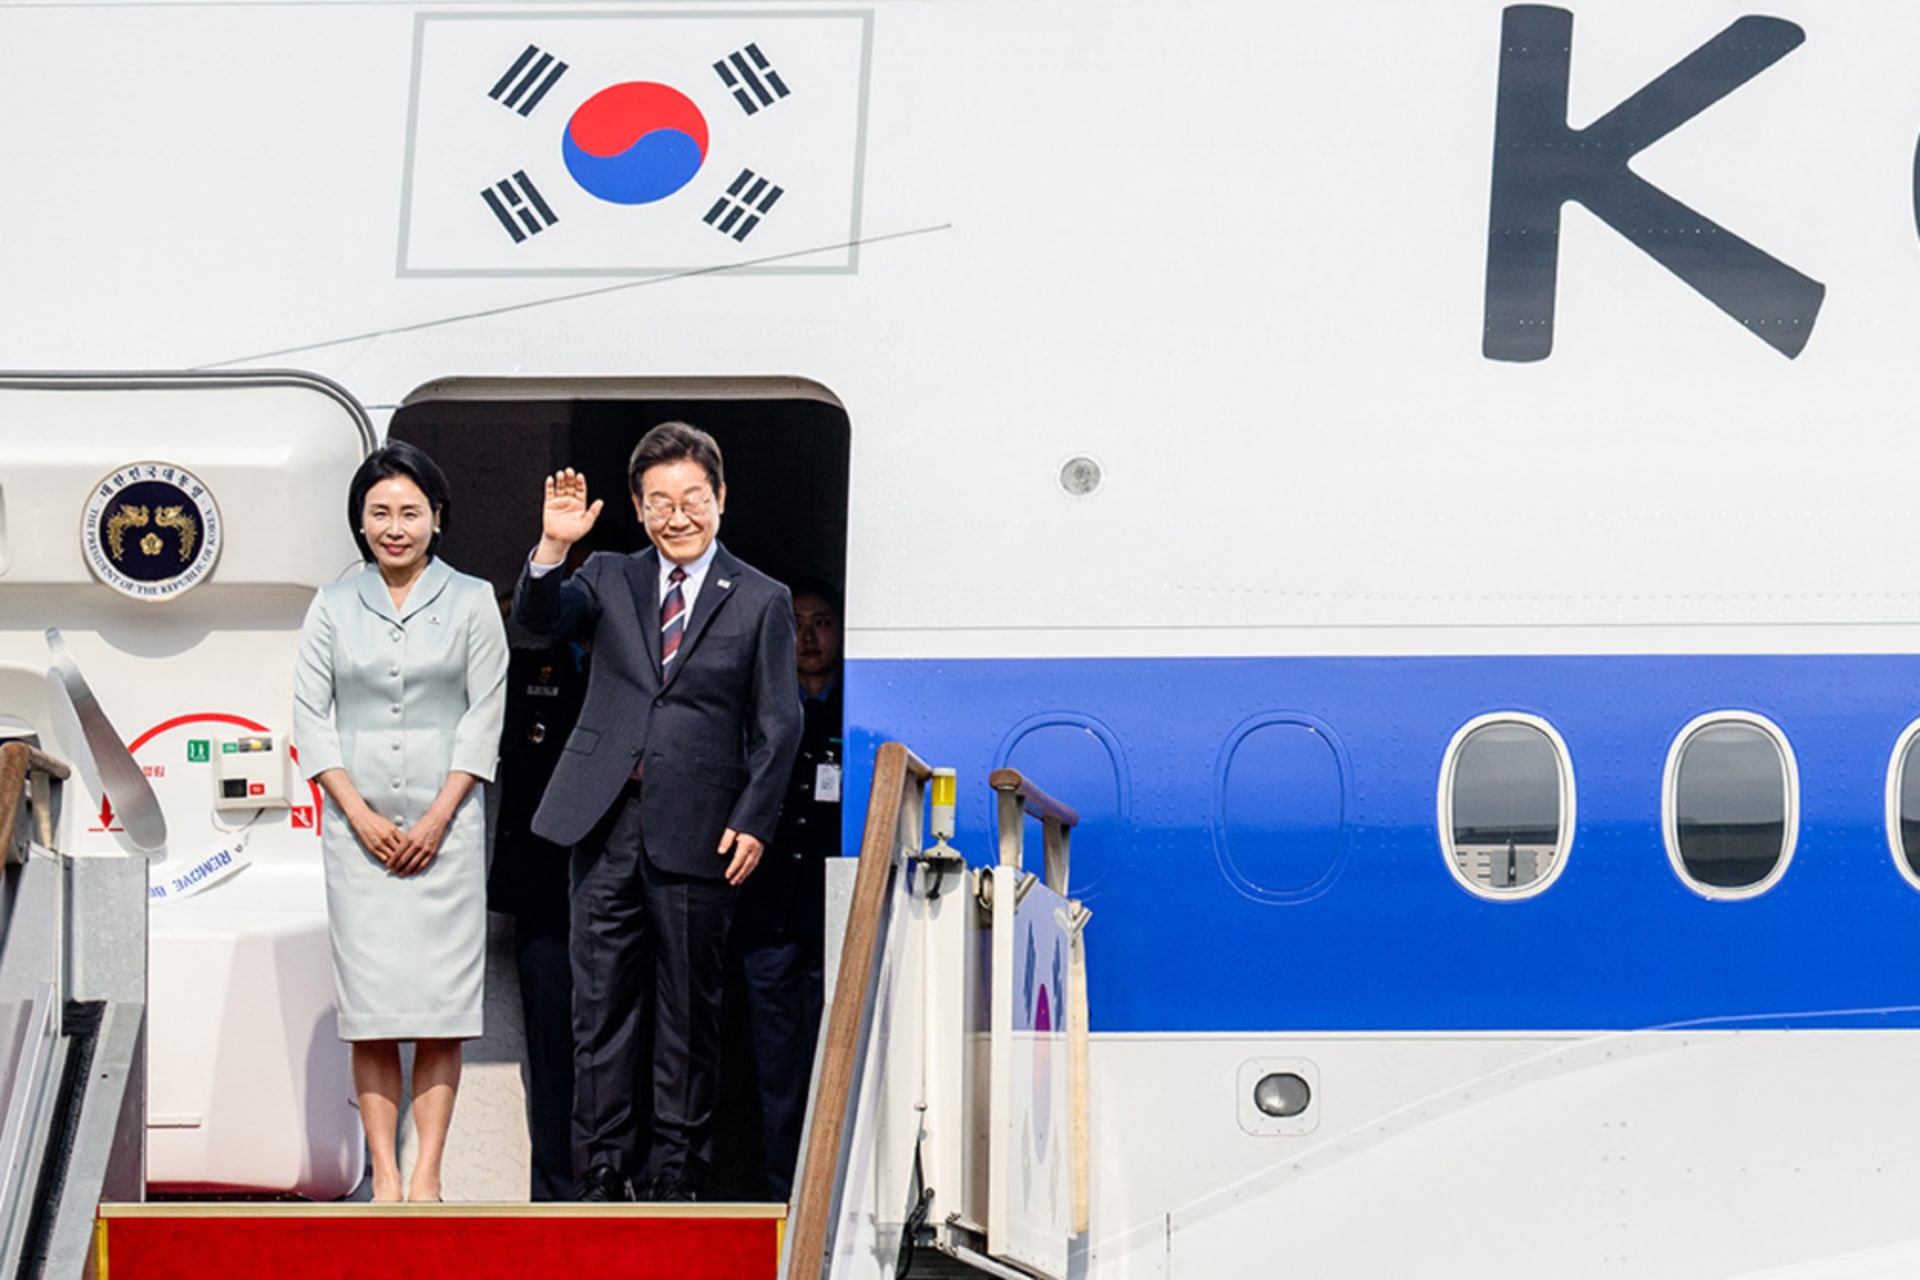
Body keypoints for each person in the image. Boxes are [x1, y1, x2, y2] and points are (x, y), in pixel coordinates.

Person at [513, 421, 801, 1202]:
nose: (679, 516)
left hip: (702, 829)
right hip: (603, 823)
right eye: (660, 502)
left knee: (688, 1015)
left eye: (693, 499)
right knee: (598, 1009)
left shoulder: (763, 598)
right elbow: (536, 625)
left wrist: (756, 817)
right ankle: (602, 1171)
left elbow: (780, 723)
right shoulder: (606, 575)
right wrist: (551, 550)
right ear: (638, 510)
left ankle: (677, 1176)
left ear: (721, 500)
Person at [292, 441, 508, 1203]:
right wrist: (358, 813)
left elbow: (485, 719)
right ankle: (383, 1175)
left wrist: (437, 818)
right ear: (359, 521)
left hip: (446, 838)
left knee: (440, 1012)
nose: (395, 527)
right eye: (379, 512)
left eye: (410, 512)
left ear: (437, 518)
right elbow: (310, 720)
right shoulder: (331, 604)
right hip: (358, 839)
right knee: (374, 1014)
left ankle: (427, 1176)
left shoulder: (475, 599)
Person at [730, 582, 842, 1200]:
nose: (808, 636)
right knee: (775, 1075)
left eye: (822, 622)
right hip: (766, 917)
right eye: (796, 623)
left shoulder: (859, 713)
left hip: (831, 920)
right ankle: (782, 1200)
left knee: (833, 1068)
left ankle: (830, 1202)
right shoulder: (760, 709)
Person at [486, 601, 589, 1200]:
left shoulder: (632, 668)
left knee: (626, 1051)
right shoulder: (527, 669)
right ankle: (556, 1191)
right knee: (551, 1054)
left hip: (622, 890)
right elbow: (470, 659)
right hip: (544, 889)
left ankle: (624, 1181)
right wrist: (515, 604)